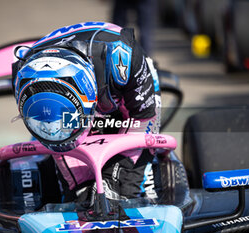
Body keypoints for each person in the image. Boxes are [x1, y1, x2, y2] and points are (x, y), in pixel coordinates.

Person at [12, 21, 161, 203]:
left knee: (124, 188)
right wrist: (81, 186)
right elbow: (56, 139)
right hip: (88, 88)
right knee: (79, 195)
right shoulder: (21, 77)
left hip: (127, 83)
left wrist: (115, 177)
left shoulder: (122, 58)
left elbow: (144, 118)